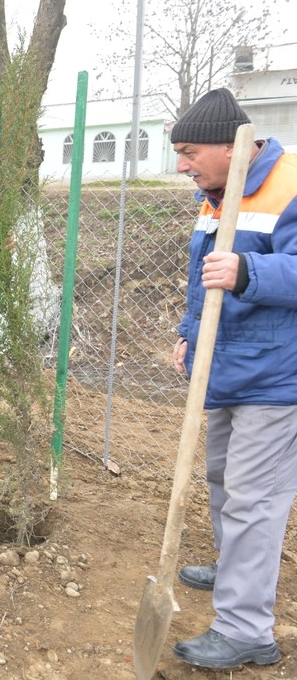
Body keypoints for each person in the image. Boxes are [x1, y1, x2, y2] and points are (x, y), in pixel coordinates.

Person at [169, 88, 297, 670]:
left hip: (274, 377)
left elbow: (242, 272)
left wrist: (249, 271)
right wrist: (187, 332)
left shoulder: (290, 182)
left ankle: (247, 629)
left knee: (254, 499)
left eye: (190, 151)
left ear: (231, 144)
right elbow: (206, 278)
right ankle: (235, 566)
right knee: (224, 481)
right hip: (223, 364)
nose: (182, 164)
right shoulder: (216, 192)